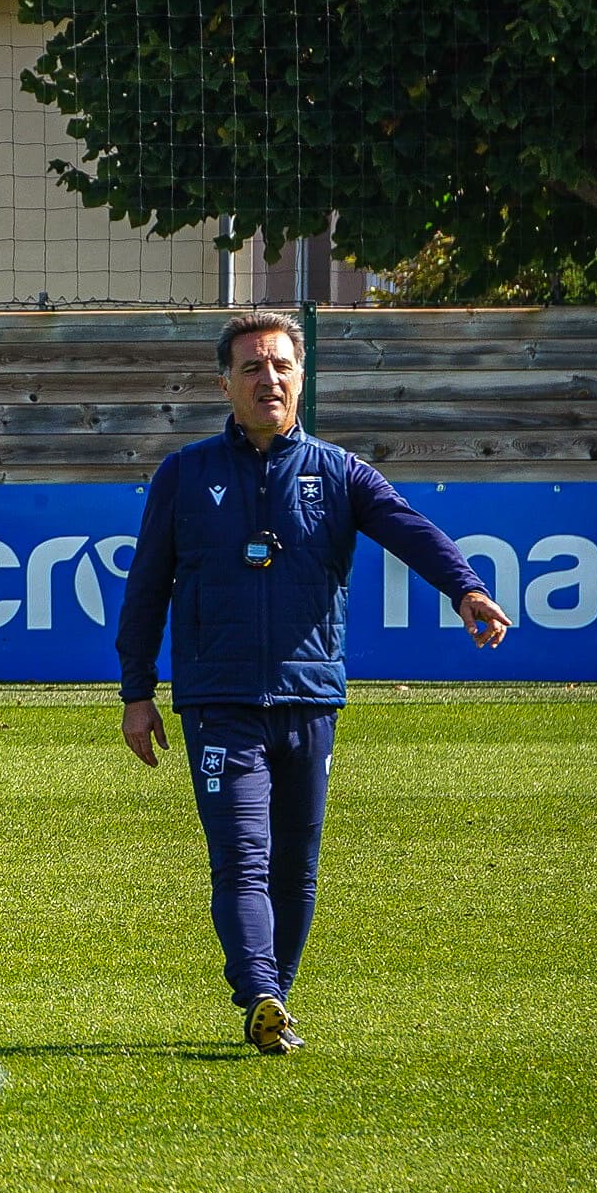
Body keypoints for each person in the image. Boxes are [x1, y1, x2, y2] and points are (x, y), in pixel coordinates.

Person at [114, 310, 510, 1054]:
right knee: (243, 856)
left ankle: (274, 1005)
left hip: (310, 698)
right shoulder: (186, 474)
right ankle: (260, 988)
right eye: (253, 367)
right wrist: (137, 690)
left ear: (302, 376)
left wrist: (465, 589)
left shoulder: (338, 472)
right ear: (225, 382)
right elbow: (147, 587)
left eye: (282, 366)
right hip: (219, 701)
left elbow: (409, 527)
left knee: (296, 869)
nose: (269, 379)